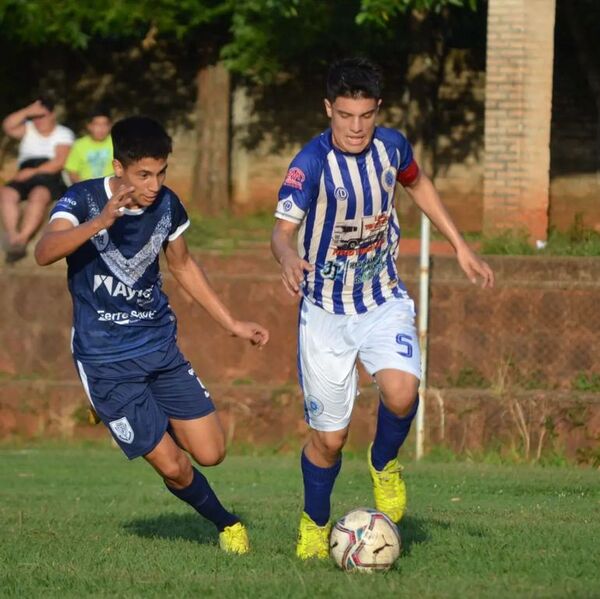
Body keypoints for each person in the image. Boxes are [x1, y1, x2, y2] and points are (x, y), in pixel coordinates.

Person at [271, 57, 494, 559]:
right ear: (329, 109)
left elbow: (418, 184)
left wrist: (459, 244)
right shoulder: (309, 164)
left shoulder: (392, 147)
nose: (356, 127)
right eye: (345, 115)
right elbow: (282, 232)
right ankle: (313, 522)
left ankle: (384, 463)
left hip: (381, 299)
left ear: (378, 111)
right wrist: (288, 258)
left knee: (401, 391)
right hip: (325, 313)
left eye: (366, 115)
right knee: (329, 442)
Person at [34, 116, 269, 554]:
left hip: (160, 348)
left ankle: (155, 424)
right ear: (119, 166)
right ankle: (227, 524)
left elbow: (182, 266)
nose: (154, 184)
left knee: (212, 453)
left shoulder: (167, 206)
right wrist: (99, 223)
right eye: (144, 174)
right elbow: (44, 251)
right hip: (106, 362)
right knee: (176, 468)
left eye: (161, 173)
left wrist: (232, 323)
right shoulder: (81, 200)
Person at [0, 97, 74, 263]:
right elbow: (8, 125)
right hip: (25, 172)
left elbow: (58, 162)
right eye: (35, 117)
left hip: (47, 174)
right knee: (6, 194)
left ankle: (23, 238)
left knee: (39, 195)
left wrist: (32, 172)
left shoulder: (63, 133)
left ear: (52, 115)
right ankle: (12, 235)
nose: (38, 121)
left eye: (42, 116)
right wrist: (28, 110)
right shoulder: (28, 129)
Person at [65, 107, 113, 183]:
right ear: (89, 126)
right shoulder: (79, 145)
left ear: (110, 126)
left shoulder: (116, 142)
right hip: (86, 188)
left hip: (113, 187)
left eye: (105, 124)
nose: (101, 128)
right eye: (97, 124)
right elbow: (72, 172)